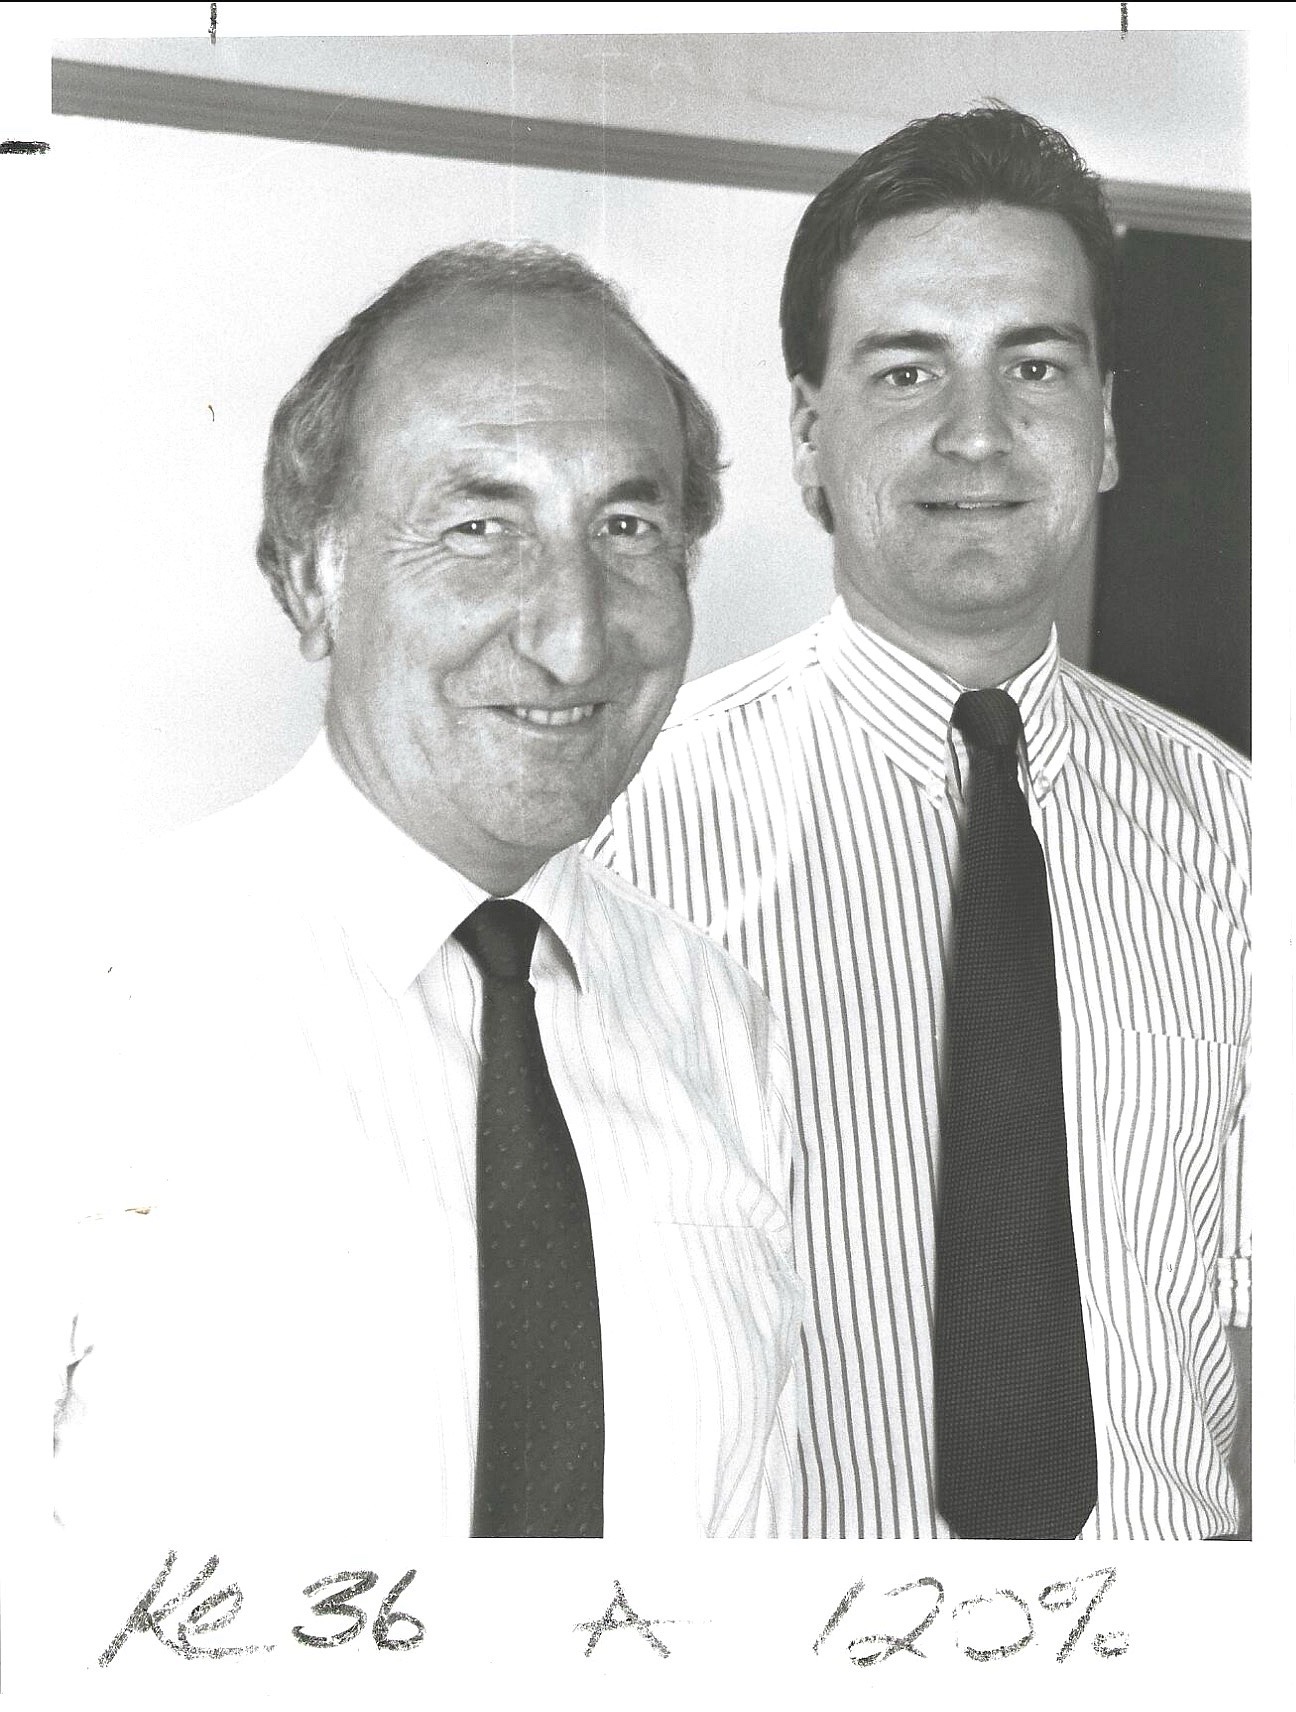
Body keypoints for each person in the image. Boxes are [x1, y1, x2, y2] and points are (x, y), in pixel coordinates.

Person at [54, 242, 803, 1547]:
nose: (574, 635)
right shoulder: (79, 998)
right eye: (478, 528)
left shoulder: (718, 1022)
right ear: (312, 578)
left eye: (628, 529)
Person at [592, 106, 1250, 1540]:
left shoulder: (1248, 845)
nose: (979, 431)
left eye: (1036, 365)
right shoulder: (621, 832)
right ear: (808, 439)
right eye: (907, 371)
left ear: (1106, 427)